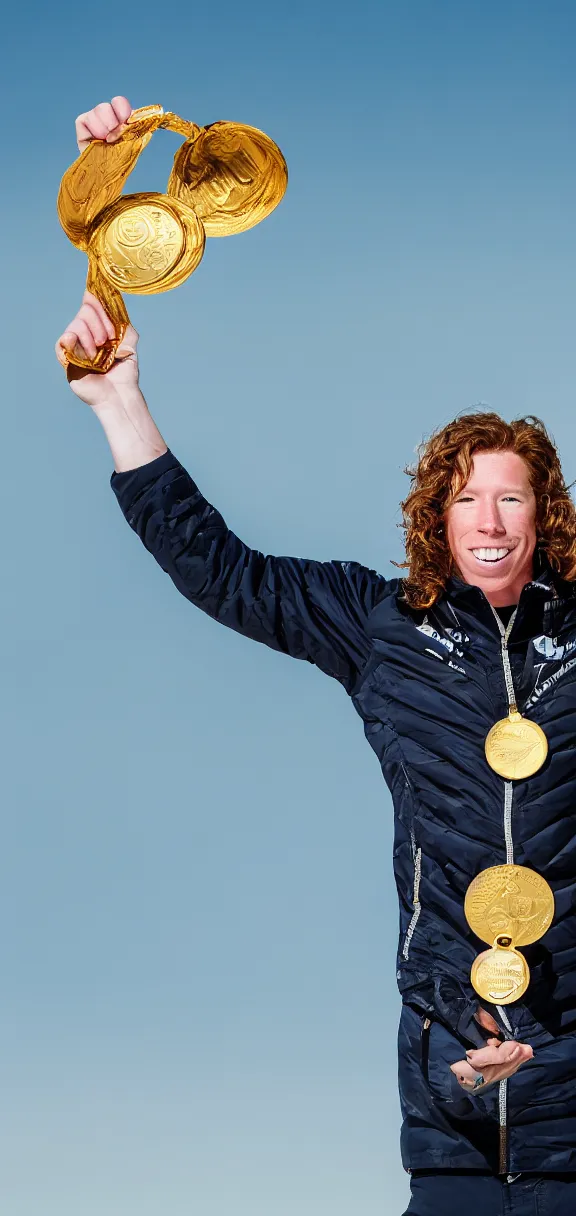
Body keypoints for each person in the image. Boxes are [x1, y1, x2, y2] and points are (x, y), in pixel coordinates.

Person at [56, 97, 576, 1216]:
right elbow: (222, 570)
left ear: (547, 516)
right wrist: (118, 401)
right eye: (465, 498)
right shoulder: (376, 621)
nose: (488, 520)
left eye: (512, 497)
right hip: (451, 1078)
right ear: (435, 518)